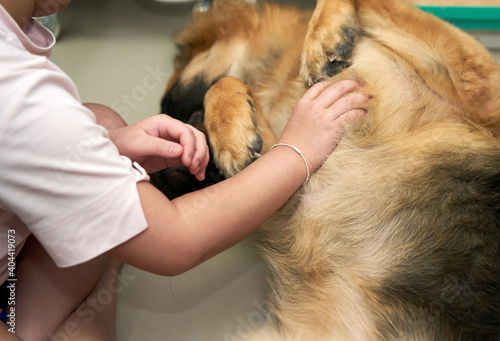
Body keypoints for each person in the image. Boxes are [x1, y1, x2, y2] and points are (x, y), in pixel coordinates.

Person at [0, 0, 371, 340]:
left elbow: (33, 145)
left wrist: (105, 151)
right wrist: (297, 151)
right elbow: (174, 241)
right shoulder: (19, 96)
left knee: (101, 120)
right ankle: (97, 282)